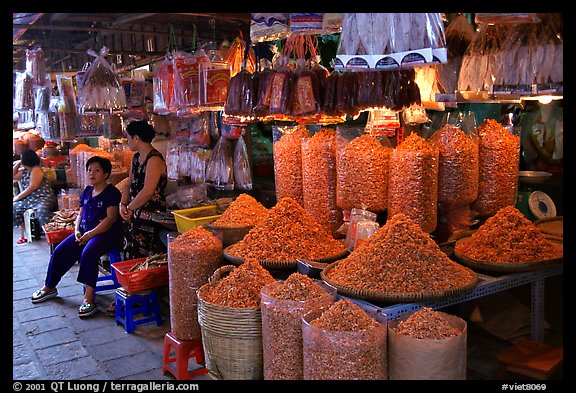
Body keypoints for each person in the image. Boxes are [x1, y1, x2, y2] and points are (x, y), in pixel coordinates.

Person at [31, 156, 123, 318]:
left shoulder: (111, 193)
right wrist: (76, 229)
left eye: (97, 170)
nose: (91, 173)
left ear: (106, 174)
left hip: (105, 234)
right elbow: (80, 214)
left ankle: (89, 299)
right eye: (89, 170)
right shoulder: (87, 191)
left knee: (88, 253)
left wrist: (89, 234)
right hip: (84, 232)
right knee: (60, 251)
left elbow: (111, 219)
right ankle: (49, 287)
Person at [119, 120, 168, 259]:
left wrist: (129, 208)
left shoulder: (155, 159)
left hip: (151, 213)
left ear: (136, 138)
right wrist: (122, 205)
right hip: (134, 211)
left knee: (144, 256)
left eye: (128, 137)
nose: (127, 141)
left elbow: (148, 191)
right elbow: (128, 184)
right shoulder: (136, 158)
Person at [13, 149, 58, 244]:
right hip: (30, 199)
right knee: (15, 208)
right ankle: (25, 232)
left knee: (42, 210)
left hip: (43, 198)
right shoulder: (24, 171)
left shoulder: (36, 170)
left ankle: (50, 234)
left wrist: (18, 197)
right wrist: (18, 164)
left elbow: (32, 187)